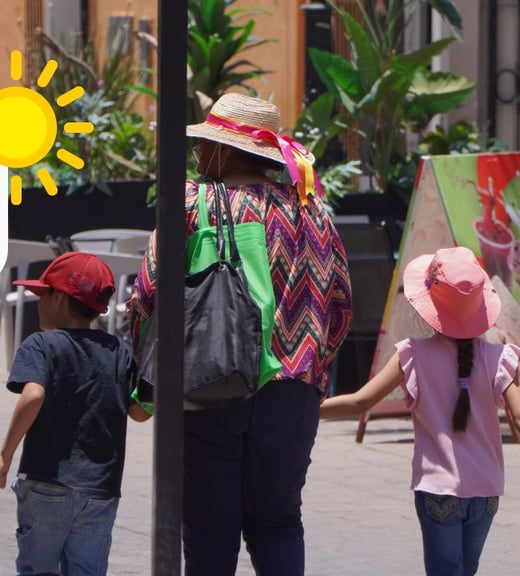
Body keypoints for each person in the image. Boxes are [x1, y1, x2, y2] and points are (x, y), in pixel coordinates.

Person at [127, 92, 353, 575]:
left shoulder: (194, 201)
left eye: (203, 145)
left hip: (213, 383)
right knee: (278, 522)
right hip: (292, 393)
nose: (197, 155)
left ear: (225, 151)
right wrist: (311, 370)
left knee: (210, 528)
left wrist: (140, 381)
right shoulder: (311, 209)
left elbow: (148, 290)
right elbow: (340, 304)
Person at [320, 246, 520, 576]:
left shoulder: (412, 354)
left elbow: (360, 402)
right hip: (486, 491)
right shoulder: (500, 357)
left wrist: (305, 410)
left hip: (438, 490)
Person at [0, 251, 151, 576]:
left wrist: (4, 456)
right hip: (100, 489)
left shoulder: (41, 345)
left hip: (47, 483)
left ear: (60, 298)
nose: (36, 301)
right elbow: (138, 413)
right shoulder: (118, 350)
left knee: (37, 569)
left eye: (41, 294)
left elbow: (33, 395)